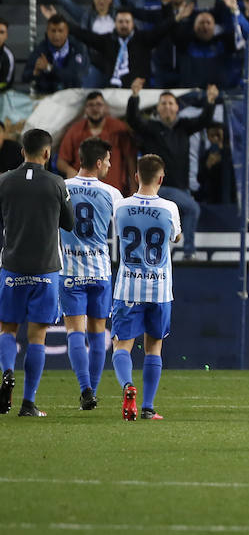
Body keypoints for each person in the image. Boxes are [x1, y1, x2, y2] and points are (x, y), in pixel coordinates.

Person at [0, 129, 75, 416]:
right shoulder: (57, 183)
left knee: (7, 328)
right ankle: (28, 403)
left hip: (12, 267)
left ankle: (7, 372)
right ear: (47, 153)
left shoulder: (4, 181)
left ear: (22, 152)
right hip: (45, 271)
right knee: (37, 337)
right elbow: (69, 224)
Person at [111, 155, 181, 421]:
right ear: (161, 178)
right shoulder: (170, 208)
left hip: (128, 288)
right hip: (160, 290)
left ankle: (128, 387)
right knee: (154, 348)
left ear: (136, 176)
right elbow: (175, 236)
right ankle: (148, 408)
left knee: (121, 346)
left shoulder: (121, 206)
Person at [62, 138, 123, 411]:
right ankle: (93, 392)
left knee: (75, 330)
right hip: (100, 272)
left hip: (70, 271)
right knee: (99, 332)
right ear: (98, 163)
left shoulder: (61, 188)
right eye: (108, 160)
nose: (110, 165)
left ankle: (85, 388)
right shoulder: (112, 193)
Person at [125, 80, 218, 258]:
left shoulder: (184, 127)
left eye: (170, 103)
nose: (167, 107)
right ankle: (189, 252)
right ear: (158, 108)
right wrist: (135, 97)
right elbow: (133, 119)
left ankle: (161, 255)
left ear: (177, 107)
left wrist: (210, 101)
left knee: (170, 223)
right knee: (192, 209)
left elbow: (204, 120)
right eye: (163, 103)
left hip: (181, 188)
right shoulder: (151, 127)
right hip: (157, 188)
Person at [56, 91, 136, 193]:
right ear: (85, 109)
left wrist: (134, 189)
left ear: (106, 107)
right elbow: (61, 161)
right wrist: (69, 170)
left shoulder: (119, 128)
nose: (95, 108)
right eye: (91, 105)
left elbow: (131, 159)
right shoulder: (75, 130)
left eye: (99, 104)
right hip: (82, 192)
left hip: (114, 191)